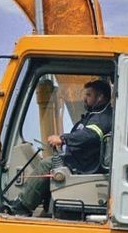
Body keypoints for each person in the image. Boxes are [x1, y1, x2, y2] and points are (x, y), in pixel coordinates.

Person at [6, 78, 113, 216]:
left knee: (47, 164)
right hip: (81, 161)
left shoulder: (102, 118)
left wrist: (62, 139)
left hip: (85, 166)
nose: (84, 98)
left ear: (100, 97)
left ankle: (22, 206)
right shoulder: (94, 115)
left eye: (89, 95)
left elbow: (90, 135)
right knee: (52, 162)